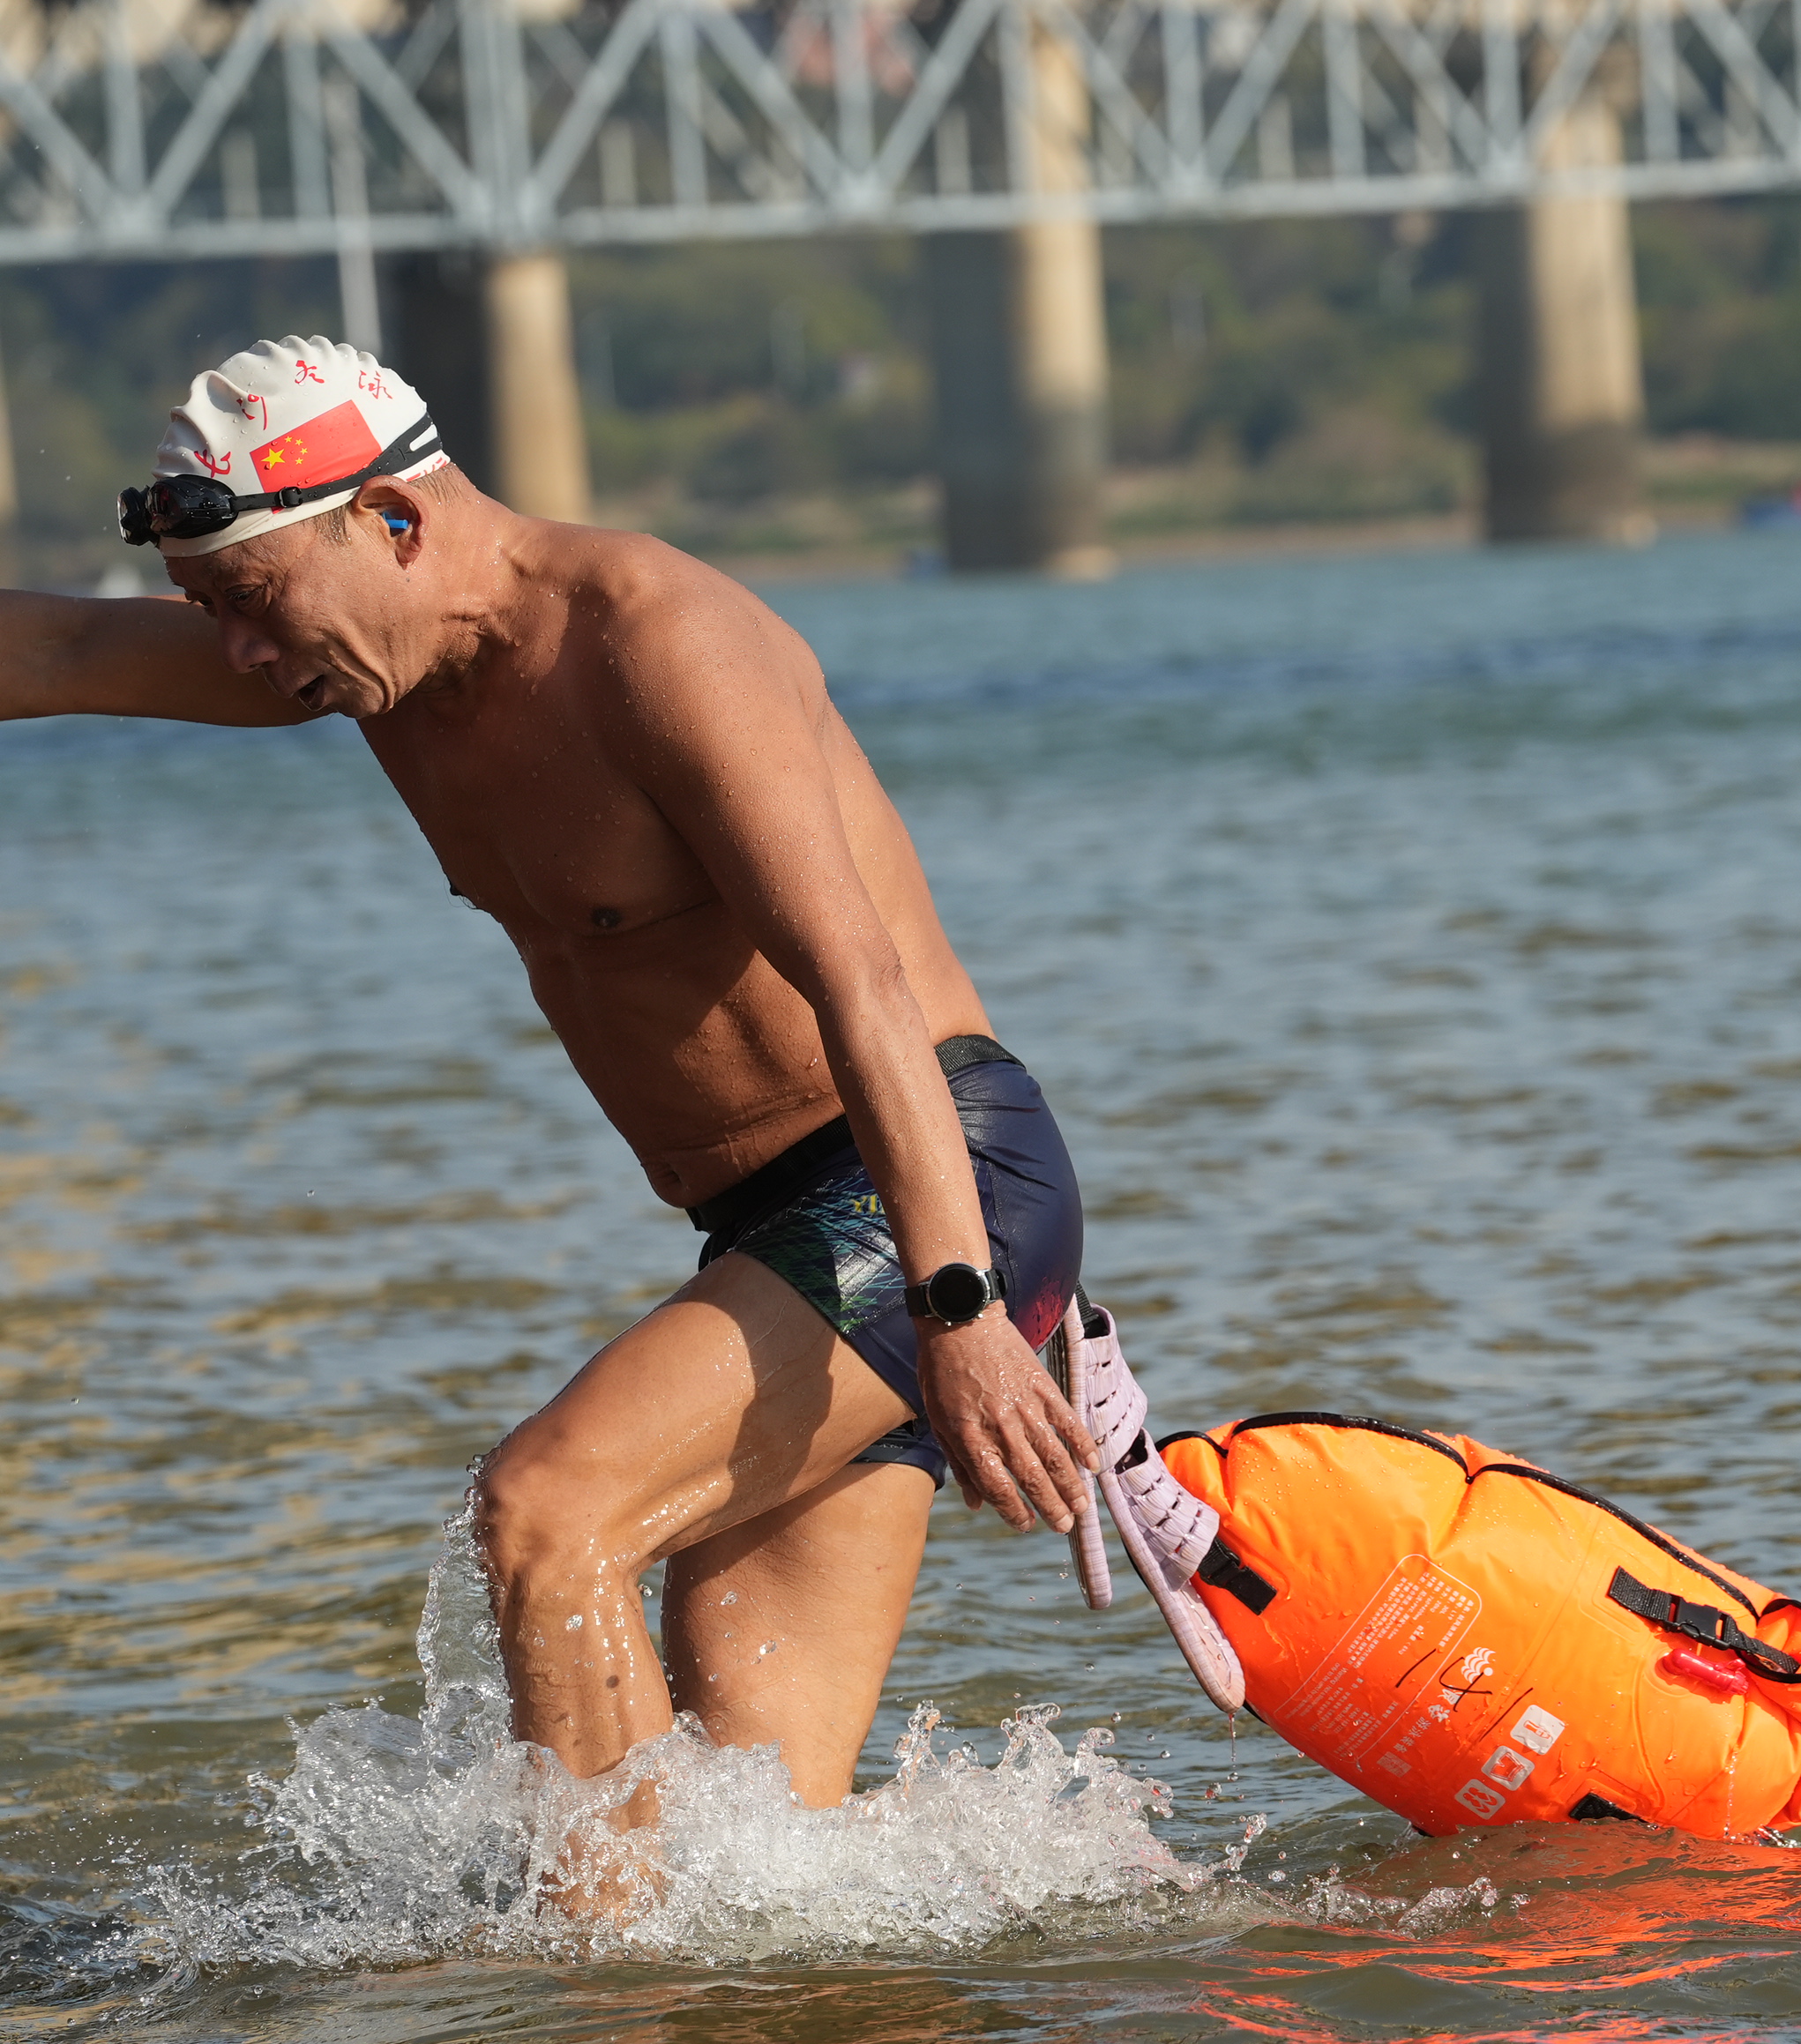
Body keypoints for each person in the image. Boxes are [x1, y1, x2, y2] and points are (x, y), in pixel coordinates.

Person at [9, 335, 1101, 1836]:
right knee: (751, 1838)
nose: (241, 655)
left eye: (252, 603)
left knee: (544, 1515)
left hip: (929, 1190)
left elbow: (865, 988)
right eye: (213, 616)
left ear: (392, 518)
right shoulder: (364, 661)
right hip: (773, 1236)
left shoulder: (653, 640)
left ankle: (570, 1961)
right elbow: (61, 654)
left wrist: (959, 1306)